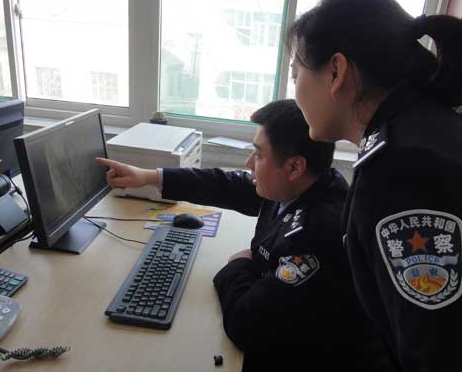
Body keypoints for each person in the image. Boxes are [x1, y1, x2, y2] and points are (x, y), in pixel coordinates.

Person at [287, 0, 462, 371]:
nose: (294, 92)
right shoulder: (424, 131)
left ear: (336, 72)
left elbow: (437, 356)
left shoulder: (404, 173)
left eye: (296, 74)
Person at [96, 100, 391, 371]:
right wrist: (148, 177)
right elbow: (226, 184)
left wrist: (238, 265)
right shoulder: (310, 183)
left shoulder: (316, 234)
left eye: (259, 154)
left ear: (294, 166)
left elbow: (246, 325)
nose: (248, 164)